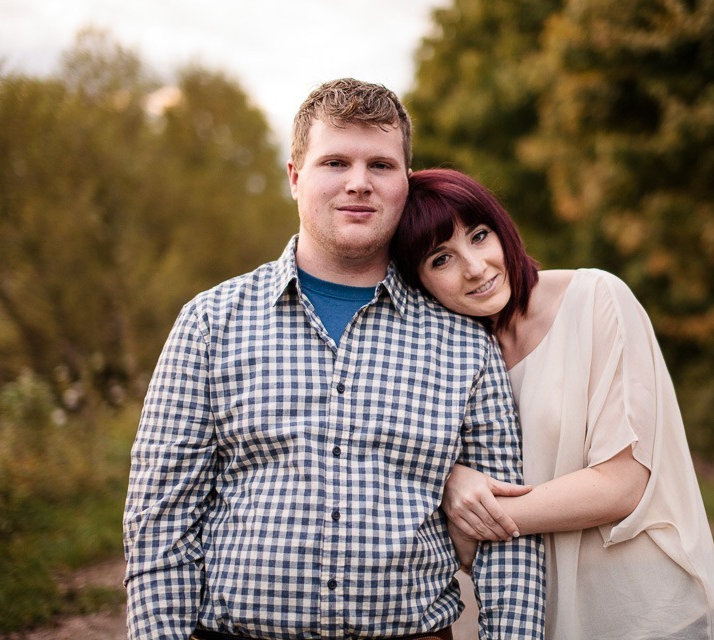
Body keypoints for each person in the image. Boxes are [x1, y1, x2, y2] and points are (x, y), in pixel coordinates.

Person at [123, 80, 545, 640]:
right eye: (335, 161)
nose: (358, 183)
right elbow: (160, 521)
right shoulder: (210, 324)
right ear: (295, 176)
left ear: (404, 182)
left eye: (381, 166)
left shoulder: (466, 343)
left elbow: (505, 534)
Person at [392, 168, 714, 640]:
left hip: (645, 611)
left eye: (479, 235)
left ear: (502, 227)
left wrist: (471, 511)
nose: (474, 267)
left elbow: (621, 485)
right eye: (441, 258)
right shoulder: (455, 362)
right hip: (547, 619)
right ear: (418, 283)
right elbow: (464, 554)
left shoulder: (596, 299)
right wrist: (451, 481)